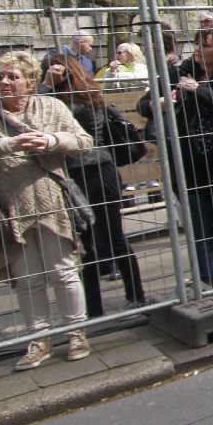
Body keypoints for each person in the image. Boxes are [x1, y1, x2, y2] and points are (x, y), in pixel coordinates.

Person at [0, 52, 94, 370]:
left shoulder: (52, 107)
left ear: (30, 81)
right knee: (28, 280)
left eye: (13, 76)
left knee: (63, 271)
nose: (4, 82)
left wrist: (52, 140)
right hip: (10, 210)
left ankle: (76, 332)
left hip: (52, 205)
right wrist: (5, 146)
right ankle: (39, 340)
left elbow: (84, 142)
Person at [138, 27, 213, 308]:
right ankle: (207, 284)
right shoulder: (181, 72)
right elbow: (143, 104)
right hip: (189, 164)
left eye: (206, 45)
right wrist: (156, 104)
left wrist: (198, 90)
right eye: (197, 43)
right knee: (199, 229)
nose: (198, 49)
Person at [39, 54, 151, 315]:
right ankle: (95, 308)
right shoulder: (72, 98)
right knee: (86, 247)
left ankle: (136, 296)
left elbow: (44, 111)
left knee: (112, 238)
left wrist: (45, 86)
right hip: (79, 176)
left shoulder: (80, 101)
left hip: (96, 172)